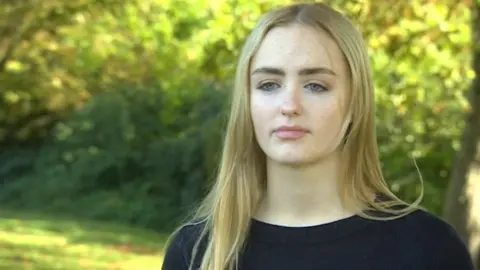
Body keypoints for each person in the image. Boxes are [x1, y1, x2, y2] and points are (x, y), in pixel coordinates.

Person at [161, 2, 474, 270]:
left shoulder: (428, 251)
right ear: (248, 102)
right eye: (269, 84)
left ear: (355, 101)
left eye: (316, 85)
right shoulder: (196, 253)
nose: (289, 106)